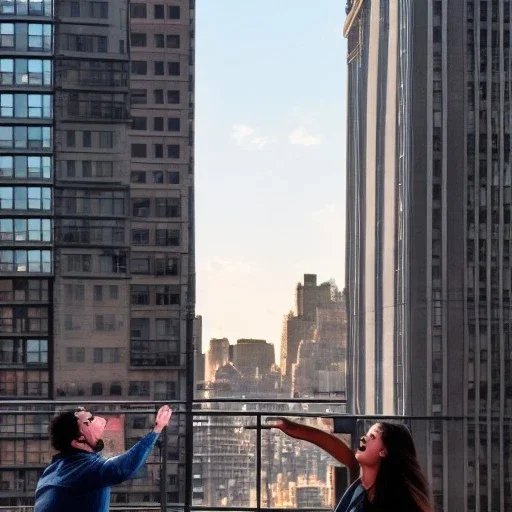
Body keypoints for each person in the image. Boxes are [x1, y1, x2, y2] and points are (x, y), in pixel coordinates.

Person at [269, 417, 433, 512]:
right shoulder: (362, 487)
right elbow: (336, 446)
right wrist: (295, 429)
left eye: (372, 437)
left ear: (384, 451)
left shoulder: (389, 503)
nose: (363, 439)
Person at [35, 405, 172, 512]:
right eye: (90, 420)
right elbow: (122, 468)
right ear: (77, 441)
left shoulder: (53, 469)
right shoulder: (86, 470)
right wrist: (157, 429)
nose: (101, 421)